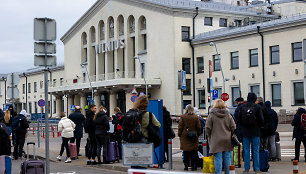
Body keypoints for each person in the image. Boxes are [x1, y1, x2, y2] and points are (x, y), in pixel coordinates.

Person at [205, 100, 236, 174]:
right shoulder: (228, 115)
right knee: (227, 157)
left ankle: (218, 173)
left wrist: (209, 135)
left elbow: (207, 127)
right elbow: (233, 126)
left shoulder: (211, 115)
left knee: (217, 158)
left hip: (216, 139)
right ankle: (227, 172)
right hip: (227, 139)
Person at [238, 93, 264, 173]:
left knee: (246, 150)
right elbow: (261, 119)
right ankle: (256, 168)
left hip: (246, 131)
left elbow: (239, 120)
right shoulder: (257, 107)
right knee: (255, 150)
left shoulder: (243, 107)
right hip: (255, 131)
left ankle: (246, 169)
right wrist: (259, 126)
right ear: (255, 98)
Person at [178, 105, 201, 171]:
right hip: (194, 136)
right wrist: (198, 134)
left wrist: (180, 134)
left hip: (184, 136)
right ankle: (194, 166)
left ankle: (186, 165)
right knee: (194, 152)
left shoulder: (183, 117)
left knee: (185, 152)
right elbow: (198, 127)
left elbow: (180, 127)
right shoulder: (195, 117)